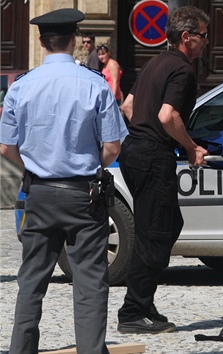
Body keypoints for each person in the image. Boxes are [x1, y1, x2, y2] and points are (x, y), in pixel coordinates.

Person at [0, 8, 128, 353]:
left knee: (31, 280)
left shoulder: (21, 86)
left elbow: (6, 147)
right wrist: (90, 165)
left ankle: (21, 350)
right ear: (74, 41)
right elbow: (113, 147)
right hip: (82, 193)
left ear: (41, 42)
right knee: (89, 280)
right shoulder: (94, 84)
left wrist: (33, 166)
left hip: (39, 192)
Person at [116, 6, 209, 334]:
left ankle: (143, 302)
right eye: (202, 36)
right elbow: (168, 116)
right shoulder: (182, 70)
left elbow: (128, 106)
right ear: (187, 37)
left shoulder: (154, 62)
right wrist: (190, 147)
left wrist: (142, 131)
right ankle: (132, 312)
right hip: (153, 156)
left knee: (166, 225)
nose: (205, 43)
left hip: (134, 152)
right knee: (155, 232)